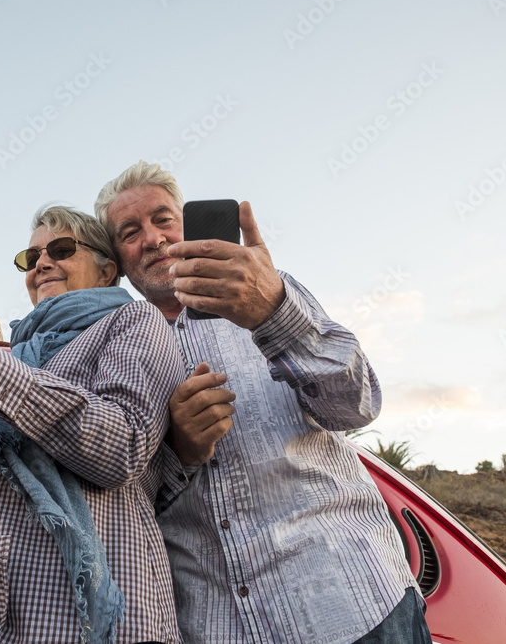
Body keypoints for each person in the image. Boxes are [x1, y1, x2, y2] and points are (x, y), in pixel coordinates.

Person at [94, 161, 432, 644]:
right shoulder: (119, 352)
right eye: (131, 231)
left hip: (357, 608)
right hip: (219, 626)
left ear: (187, 223)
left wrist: (273, 311)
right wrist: (179, 455)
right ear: (118, 260)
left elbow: (357, 405)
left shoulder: (273, 290)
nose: (151, 238)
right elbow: (122, 504)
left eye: (163, 219)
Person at [0, 205, 185, 643]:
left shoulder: (133, 322)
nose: (42, 263)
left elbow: (122, 446)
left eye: (62, 249)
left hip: (62, 613)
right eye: (31, 257)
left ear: (106, 271)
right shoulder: (11, 357)